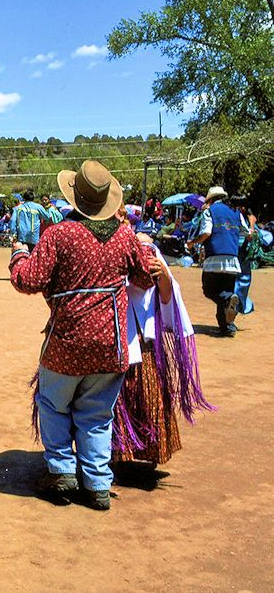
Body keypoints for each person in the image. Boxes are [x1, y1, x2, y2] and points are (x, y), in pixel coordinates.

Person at [9, 160, 155, 511]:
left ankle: (61, 471)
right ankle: (97, 484)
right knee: (97, 414)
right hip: (111, 345)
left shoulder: (59, 234)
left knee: (53, 404)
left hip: (66, 342)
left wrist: (17, 254)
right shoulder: (124, 235)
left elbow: (28, 280)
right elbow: (145, 277)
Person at [109, 212, 213, 465]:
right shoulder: (102, 247)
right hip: (113, 341)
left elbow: (167, 295)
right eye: (115, 213)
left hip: (141, 343)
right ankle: (116, 455)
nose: (120, 217)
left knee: (144, 396)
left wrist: (163, 276)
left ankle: (143, 452)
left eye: (123, 213)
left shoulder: (147, 249)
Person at [185, 186, 252, 337]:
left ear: (210, 200)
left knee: (209, 290)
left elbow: (206, 233)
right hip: (233, 260)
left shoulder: (209, 211)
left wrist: (192, 243)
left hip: (214, 257)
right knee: (225, 291)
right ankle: (227, 328)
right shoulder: (236, 212)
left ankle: (229, 299)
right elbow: (247, 233)